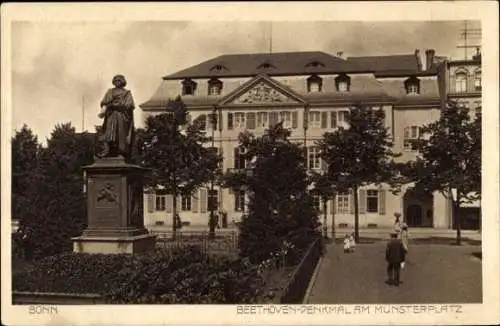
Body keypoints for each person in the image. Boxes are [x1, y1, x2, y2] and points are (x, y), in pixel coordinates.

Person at [97, 74, 135, 159]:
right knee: (109, 133)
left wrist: (117, 105)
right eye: (116, 80)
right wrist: (104, 108)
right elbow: (104, 103)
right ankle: (108, 150)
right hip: (111, 116)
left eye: (119, 80)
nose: (117, 82)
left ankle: (121, 151)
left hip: (121, 116)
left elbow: (129, 105)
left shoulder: (126, 93)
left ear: (123, 82)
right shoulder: (109, 92)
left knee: (120, 133)